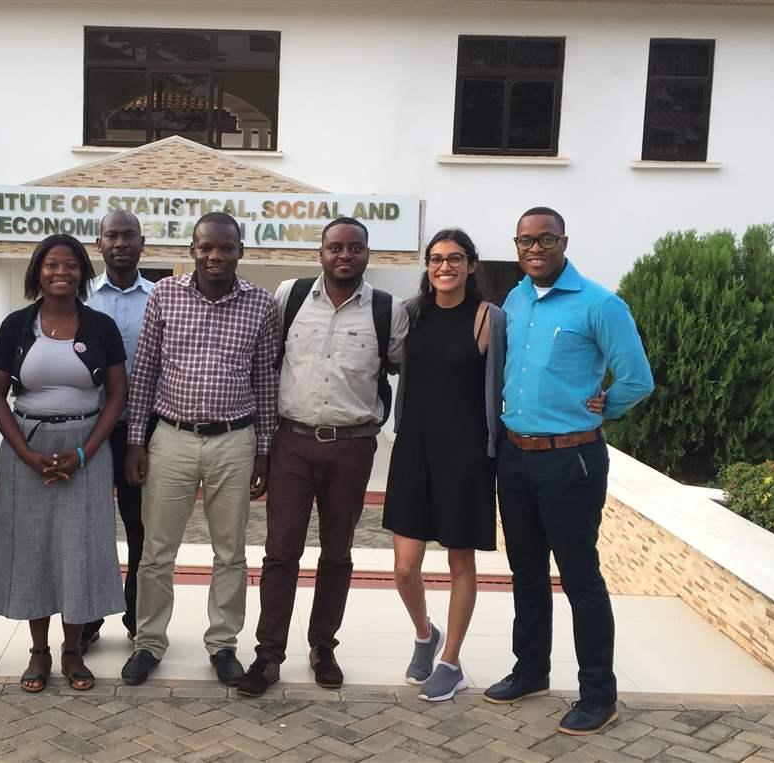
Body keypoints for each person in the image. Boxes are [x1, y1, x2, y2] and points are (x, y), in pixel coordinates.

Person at [485, 207, 653, 735]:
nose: (535, 248)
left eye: (546, 239)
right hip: (515, 456)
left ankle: (598, 695)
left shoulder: (600, 303)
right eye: (525, 240)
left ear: (563, 241)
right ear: (517, 246)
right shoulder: (515, 298)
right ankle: (531, 670)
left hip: (571, 459)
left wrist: (605, 406)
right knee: (527, 571)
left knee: (579, 576)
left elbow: (636, 378)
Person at [238, 217, 407, 697]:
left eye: (355, 248)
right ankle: (268, 655)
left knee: (337, 553)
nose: (344, 256)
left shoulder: (386, 311)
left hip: (352, 447)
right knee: (280, 554)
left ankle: (323, 647)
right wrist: (262, 446)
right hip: (292, 442)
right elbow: (266, 365)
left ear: (367, 254)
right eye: (336, 247)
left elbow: (404, 368)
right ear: (321, 253)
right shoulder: (289, 297)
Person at [122, 211, 279, 688]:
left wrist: (264, 451)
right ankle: (149, 642)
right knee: (155, 551)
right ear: (191, 250)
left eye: (225, 248)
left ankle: (223, 644)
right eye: (206, 247)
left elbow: (266, 380)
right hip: (170, 437)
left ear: (239, 252)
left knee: (230, 553)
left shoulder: (261, 305)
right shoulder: (165, 295)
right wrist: (135, 440)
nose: (215, 255)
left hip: (235, 440)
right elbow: (145, 369)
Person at [0, 233, 128, 693]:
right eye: (51, 265)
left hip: (87, 448)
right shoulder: (16, 325)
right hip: (28, 449)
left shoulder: (101, 326)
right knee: (34, 550)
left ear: (84, 273)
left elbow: (117, 395)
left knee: (78, 549)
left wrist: (85, 452)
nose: (61, 272)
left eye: (70, 265)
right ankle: (39, 651)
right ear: (37, 272)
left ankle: (72, 650)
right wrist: (24, 451)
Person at [382, 228, 508, 702]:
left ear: (472, 265)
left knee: (460, 562)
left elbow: (512, 377)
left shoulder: (488, 319)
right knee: (404, 566)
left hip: (468, 455)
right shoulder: (411, 314)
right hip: (413, 449)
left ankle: (450, 661)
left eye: (455, 259)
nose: (445, 267)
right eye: (436, 259)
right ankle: (424, 633)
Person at [79, 209, 154, 651]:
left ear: (142, 245)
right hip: (89, 427)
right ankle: (86, 620)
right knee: (89, 525)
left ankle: (138, 617)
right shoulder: (79, 297)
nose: (121, 243)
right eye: (112, 236)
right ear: (100, 244)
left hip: (143, 430)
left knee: (142, 527)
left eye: (129, 236)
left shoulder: (162, 296)